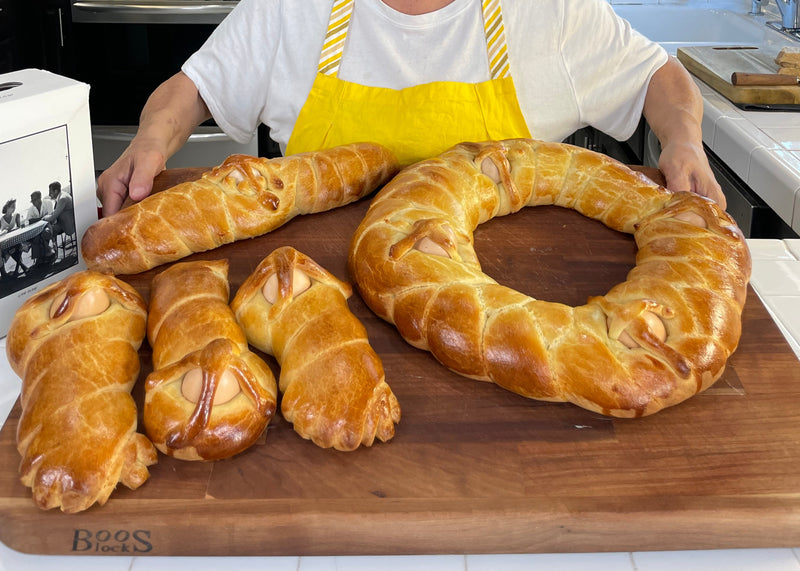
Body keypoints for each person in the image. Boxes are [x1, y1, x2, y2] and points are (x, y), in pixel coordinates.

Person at [96, 0, 725, 217]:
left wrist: (684, 141)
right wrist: (150, 142)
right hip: (317, 301)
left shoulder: (548, 13)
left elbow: (658, 76)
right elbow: (193, 87)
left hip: (508, 304)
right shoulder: (291, 10)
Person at [43, 181, 76, 257]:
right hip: (63, 223)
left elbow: (53, 216)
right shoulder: (61, 196)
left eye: (50, 192)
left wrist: (43, 219)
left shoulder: (62, 198)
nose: (49, 195)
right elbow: (55, 212)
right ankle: (52, 250)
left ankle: (50, 252)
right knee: (48, 229)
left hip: (68, 225)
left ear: (56, 191)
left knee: (46, 231)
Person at [0, 199, 31, 278]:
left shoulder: (16, 215)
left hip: (16, 240)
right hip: (6, 243)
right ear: (7, 207)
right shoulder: (1, 220)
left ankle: (21, 267)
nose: (14, 209)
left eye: (15, 207)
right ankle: (22, 266)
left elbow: (19, 228)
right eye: (12, 207)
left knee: (15, 248)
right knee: (10, 249)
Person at [24, 191, 56, 264]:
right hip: (38, 230)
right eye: (32, 201)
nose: (32, 202)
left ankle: (40, 257)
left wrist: (37, 220)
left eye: (34, 200)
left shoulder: (48, 203)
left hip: (50, 225)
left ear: (39, 198)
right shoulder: (31, 209)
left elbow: (51, 217)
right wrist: (41, 219)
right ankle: (47, 252)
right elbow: (27, 222)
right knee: (36, 235)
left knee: (40, 234)